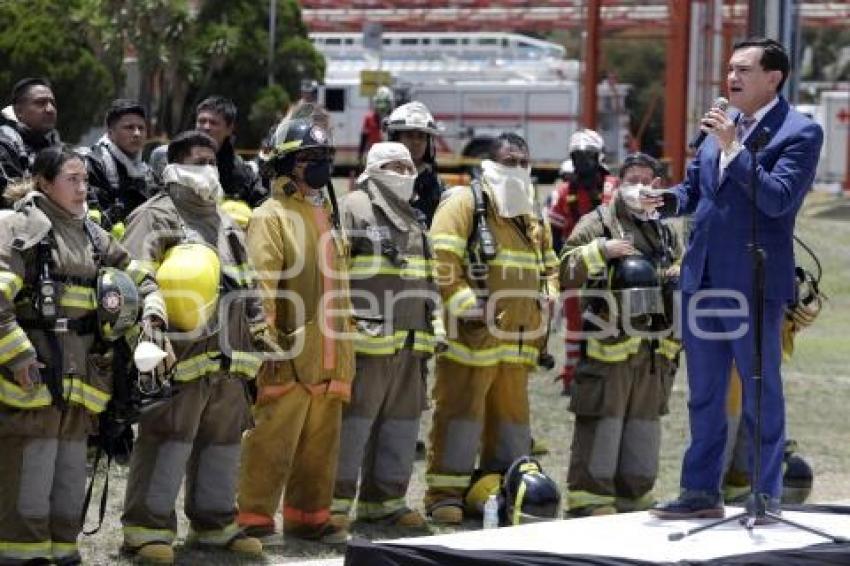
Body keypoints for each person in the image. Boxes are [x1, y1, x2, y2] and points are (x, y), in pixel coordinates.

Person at [650, 38, 823, 522]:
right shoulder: (720, 124)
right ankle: (700, 492)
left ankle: (764, 494)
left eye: (744, 69)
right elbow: (696, 189)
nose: (732, 77)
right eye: (729, 68)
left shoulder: (800, 132)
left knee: (759, 392)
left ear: (774, 77)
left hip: (754, 282)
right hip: (702, 278)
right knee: (703, 393)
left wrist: (734, 146)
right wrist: (662, 201)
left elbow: (779, 199)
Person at [0, 146, 164, 565]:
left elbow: (139, 274)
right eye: (71, 179)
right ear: (42, 182)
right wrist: (18, 356)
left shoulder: (93, 234)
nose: (81, 188)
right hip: (32, 380)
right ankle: (23, 555)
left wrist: (153, 310)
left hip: (83, 383)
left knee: (71, 472)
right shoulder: (18, 228)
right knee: (31, 473)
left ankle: (63, 549)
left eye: (85, 180)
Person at [120, 130, 265, 563]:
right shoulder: (154, 216)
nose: (208, 168)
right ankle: (146, 530)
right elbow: (134, 280)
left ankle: (215, 524)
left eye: (212, 160)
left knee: (222, 442)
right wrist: (148, 339)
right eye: (198, 160)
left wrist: (259, 330)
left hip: (229, 359)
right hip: (179, 357)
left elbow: (248, 281)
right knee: (168, 438)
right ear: (175, 166)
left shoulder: (225, 221)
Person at [424, 132, 559, 524]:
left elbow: (548, 263)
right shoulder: (465, 201)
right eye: (509, 160)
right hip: (472, 340)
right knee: (460, 416)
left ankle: (502, 489)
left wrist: (549, 291)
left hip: (517, 343)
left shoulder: (531, 213)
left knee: (512, 423)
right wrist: (467, 307)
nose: (517, 168)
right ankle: (444, 494)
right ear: (490, 163)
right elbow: (442, 258)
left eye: (523, 161)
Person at [236, 114, 355, 544]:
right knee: (271, 442)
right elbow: (262, 283)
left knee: (320, 448)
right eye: (310, 158)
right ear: (286, 166)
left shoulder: (325, 214)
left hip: (330, 356)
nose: (320, 165)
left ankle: (310, 519)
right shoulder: (271, 216)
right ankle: (253, 520)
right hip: (287, 356)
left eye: (324, 156)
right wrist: (265, 339)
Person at [559, 152, 682, 517]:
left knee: (644, 428)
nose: (640, 187)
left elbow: (677, 269)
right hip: (608, 348)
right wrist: (601, 251)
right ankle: (590, 500)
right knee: (603, 423)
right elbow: (563, 270)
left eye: (648, 180)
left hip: (652, 352)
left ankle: (635, 498)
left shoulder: (664, 229)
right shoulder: (597, 222)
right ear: (619, 183)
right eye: (632, 180)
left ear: (658, 186)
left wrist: (678, 271)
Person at [330, 142, 441, 529]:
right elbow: (335, 274)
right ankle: (335, 505)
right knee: (353, 427)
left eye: (408, 166)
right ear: (374, 169)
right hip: (368, 345)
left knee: (402, 426)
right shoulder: (354, 207)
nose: (405, 173)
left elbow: (427, 277)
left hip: (413, 345)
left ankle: (386, 502)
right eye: (395, 166)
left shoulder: (414, 216)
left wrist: (435, 324)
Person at [547, 129, 618, 395]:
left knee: (607, 322)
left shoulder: (612, 186)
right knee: (575, 325)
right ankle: (572, 375)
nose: (582, 162)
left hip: (608, 266)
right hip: (576, 267)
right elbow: (555, 235)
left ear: (598, 157)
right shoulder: (565, 191)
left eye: (587, 156)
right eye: (577, 156)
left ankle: (604, 376)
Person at [85, 99, 157, 239]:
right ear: (111, 133)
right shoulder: (94, 165)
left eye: (141, 128)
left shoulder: (147, 171)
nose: (136, 133)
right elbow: (96, 219)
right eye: (129, 127)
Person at [195, 95, 267, 209]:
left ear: (229, 129)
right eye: (202, 121)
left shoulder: (241, 174)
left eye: (213, 123)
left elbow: (261, 205)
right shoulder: (176, 160)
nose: (206, 127)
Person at [385, 101, 445, 226]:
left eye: (421, 136)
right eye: (409, 135)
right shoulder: (381, 178)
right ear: (395, 139)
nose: (416, 142)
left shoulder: (435, 185)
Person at [0, 78, 61, 200]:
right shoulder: (5, 145)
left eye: (52, 103)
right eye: (40, 103)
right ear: (19, 111)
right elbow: (12, 196)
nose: (50, 109)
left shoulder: (56, 147)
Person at [357, 86, 393, 168]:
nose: (382, 107)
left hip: (390, 156)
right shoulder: (369, 118)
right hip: (374, 155)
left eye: (385, 102)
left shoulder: (394, 118)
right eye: (379, 102)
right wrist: (360, 155)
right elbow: (364, 137)